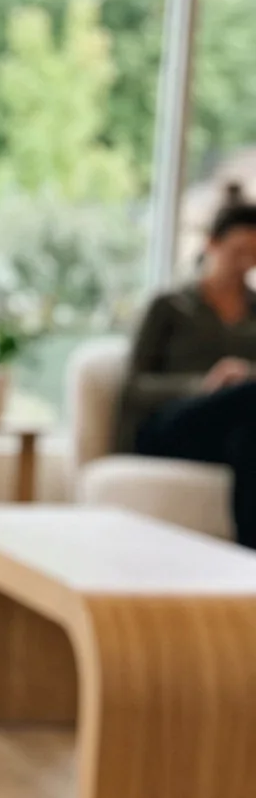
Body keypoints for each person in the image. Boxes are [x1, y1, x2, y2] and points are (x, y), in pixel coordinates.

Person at [119, 183, 256, 544]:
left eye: (254, 255)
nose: (246, 264)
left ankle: (246, 567)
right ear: (211, 243)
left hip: (231, 429)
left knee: (248, 434)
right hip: (170, 425)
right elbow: (133, 387)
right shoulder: (170, 304)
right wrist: (203, 384)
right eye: (238, 251)